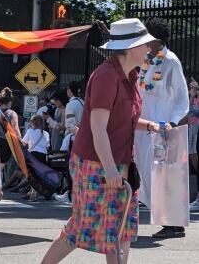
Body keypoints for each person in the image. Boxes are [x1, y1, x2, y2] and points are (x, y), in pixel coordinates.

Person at [41, 18, 164, 264]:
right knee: (82, 226)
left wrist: (151, 125)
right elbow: (98, 128)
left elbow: (124, 120)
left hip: (118, 161)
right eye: (144, 44)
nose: (149, 49)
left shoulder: (130, 75)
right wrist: (109, 169)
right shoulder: (106, 76)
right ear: (130, 48)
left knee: (121, 228)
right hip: (95, 162)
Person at [131, 17, 190, 239]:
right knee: (147, 173)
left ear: (157, 38)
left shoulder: (171, 61)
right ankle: (164, 219)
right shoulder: (146, 60)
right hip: (144, 128)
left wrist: (172, 123)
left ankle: (174, 224)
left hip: (163, 128)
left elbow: (182, 98)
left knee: (163, 175)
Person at [179, 80, 199, 210]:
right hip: (191, 131)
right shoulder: (193, 99)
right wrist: (191, 96)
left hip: (197, 131)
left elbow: (194, 112)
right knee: (195, 165)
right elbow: (187, 112)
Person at [21, 115, 51, 201]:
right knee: (39, 175)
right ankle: (31, 192)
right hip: (43, 155)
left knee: (32, 174)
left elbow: (23, 143)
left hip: (33, 154)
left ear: (32, 123)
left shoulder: (30, 131)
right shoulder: (46, 133)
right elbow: (47, 145)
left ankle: (34, 193)